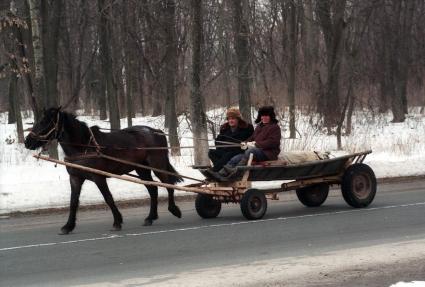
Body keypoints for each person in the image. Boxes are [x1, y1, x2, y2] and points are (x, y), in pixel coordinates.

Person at [213, 106, 281, 180]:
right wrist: (245, 142)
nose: (264, 118)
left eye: (266, 116)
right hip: (257, 151)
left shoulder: (275, 127)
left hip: (268, 153)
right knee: (237, 157)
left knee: (250, 151)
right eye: (262, 116)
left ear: (271, 116)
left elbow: (273, 142)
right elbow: (252, 137)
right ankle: (221, 173)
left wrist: (256, 144)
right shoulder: (259, 126)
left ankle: (237, 171)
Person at [207, 108, 254, 174]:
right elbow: (218, 142)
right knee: (211, 152)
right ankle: (222, 170)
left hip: (239, 151)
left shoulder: (247, 127)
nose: (230, 120)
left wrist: (245, 143)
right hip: (226, 151)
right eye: (229, 119)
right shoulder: (224, 128)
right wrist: (222, 146)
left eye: (233, 118)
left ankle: (215, 171)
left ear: (238, 119)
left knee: (228, 154)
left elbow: (252, 139)